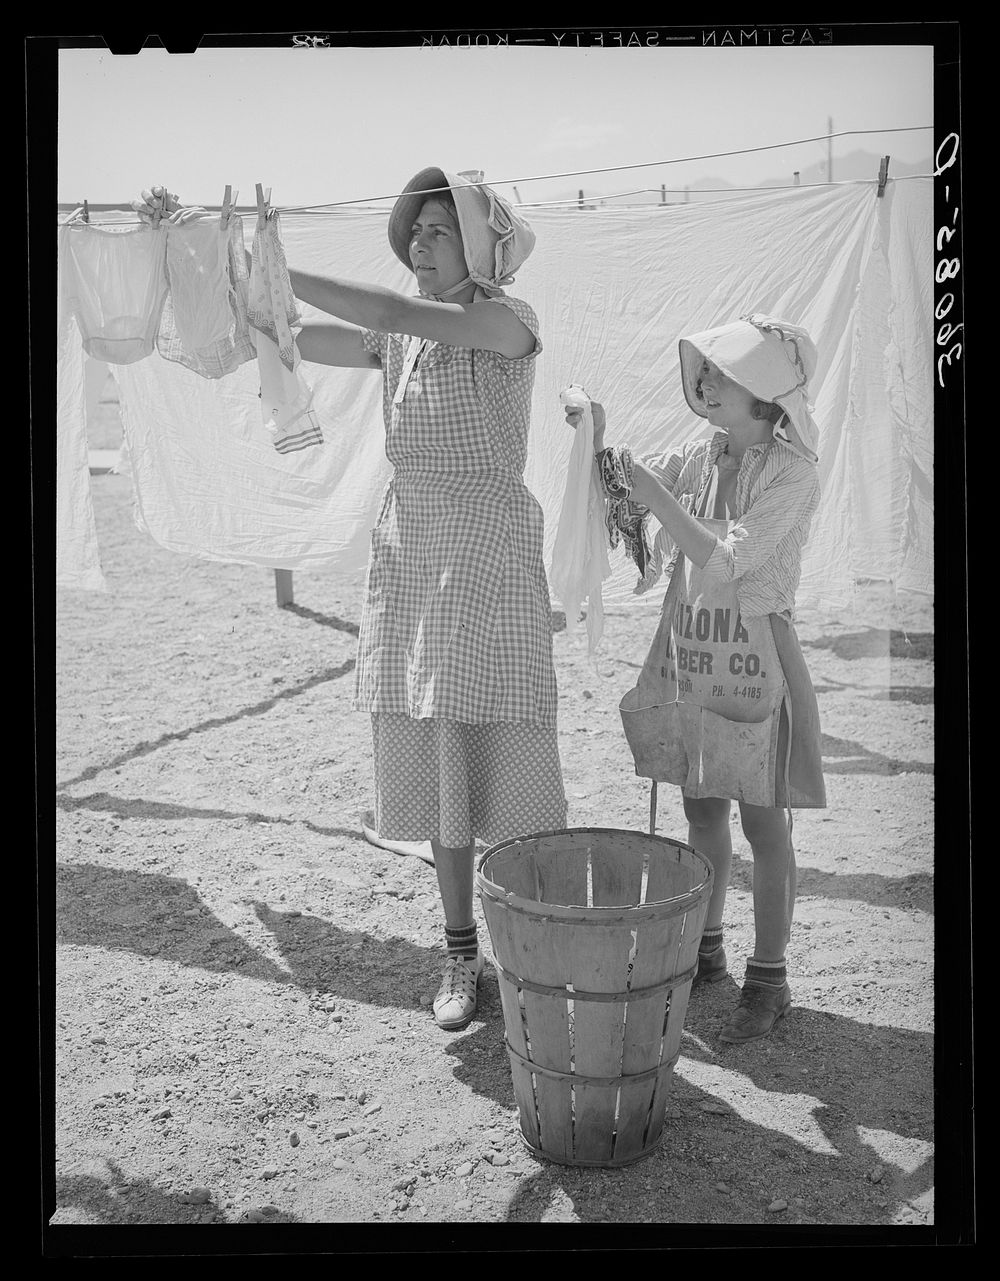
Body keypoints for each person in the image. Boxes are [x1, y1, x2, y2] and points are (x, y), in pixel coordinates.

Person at [132, 174, 567, 1033]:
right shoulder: (402, 340)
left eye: (442, 230)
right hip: (415, 553)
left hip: (487, 554)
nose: (422, 242)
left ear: (482, 250)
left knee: (510, 760)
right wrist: (205, 257)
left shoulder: (506, 321)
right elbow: (288, 336)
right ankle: (458, 951)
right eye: (418, 230)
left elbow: (398, 314)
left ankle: (536, 952)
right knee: (442, 756)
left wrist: (276, 265)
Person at [564, 314, 827, 1044]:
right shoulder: (701, 453)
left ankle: (767, 977)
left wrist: (655, 493)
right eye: (704, 367)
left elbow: (725, 558)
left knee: (765, 822)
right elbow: (632, 497)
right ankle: (705, 948)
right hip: (694, 650)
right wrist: (599, 436)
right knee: (703, 809)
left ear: (769, 395)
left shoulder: (796, 472)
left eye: (724, 370)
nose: (704, 378)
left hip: (758, 658)